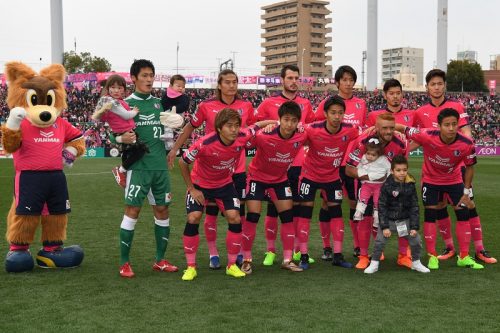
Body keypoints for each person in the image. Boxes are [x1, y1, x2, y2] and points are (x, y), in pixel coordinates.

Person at [168, 69, 255, 270]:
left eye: (235, 82)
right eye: (227, 82)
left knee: (237, 213)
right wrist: (175, 148)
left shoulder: (247, 106)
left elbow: (251, 131)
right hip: (209, 169)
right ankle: (213, 253)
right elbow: (190, 127)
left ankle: (238, 254)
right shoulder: (206, 106)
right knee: (211, 214)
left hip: (237, 169)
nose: (232, 86)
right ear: (219, 85)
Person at [178, 108, 275, 281]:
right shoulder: (204, 144)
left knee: (235, 218)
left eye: (236, 125)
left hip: (224, 184)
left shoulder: (242, 136)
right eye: (229, 126)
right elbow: (183, 162)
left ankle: (231, 265)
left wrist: (278, 123)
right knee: (193, 218)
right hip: (201, 185)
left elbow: (258, 125)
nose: (234, 129)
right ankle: (191, 267)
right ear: (219, 128)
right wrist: (192, 189)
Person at [414, 69, 496, 264]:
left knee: (469, 206)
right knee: (439, 208)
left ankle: (479, 249)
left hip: (457, 169)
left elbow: (466, 131)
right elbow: (418, 138)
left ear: (444, 85)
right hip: (433, 172)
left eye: (439, 83)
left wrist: (466, 145)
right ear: (427, 88)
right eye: (432, 84)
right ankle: (449, 247)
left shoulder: (457, 106)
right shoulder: (420, 112)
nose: (436, 87)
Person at [398, 108, 484, 270]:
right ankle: (432, 256)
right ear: (439, 126)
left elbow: (470, 168)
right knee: (430, 216)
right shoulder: (426, 135)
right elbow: (402, 128)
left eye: (454, 124)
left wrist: (466, 192)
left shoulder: (466, 143)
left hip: (454, 181)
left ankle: (464, 256)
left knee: (463, 215)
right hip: (431, 182)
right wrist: (378, 126)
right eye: (447, 125)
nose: (451, 128)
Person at [115, 59, 178, 278]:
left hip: (160, 167)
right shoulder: (125, 104)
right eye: (144, 75)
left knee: (162, 210)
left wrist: (171, 145)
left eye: (151, 75)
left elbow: (166, 132)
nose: (149, 79)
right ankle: (124, 263)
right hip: (139, 168)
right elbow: (113, 133)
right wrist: (119, 137)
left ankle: (160, 260)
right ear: (133, 78)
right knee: (133, 210)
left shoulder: (158, 103)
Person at [254, 64, 315, 266]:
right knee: (272, 209)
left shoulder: (305, 103)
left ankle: (296, 251)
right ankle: (270, 251)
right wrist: (268, 124)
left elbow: (311, 130)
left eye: (296, 78)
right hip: (274, 166)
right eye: (289, 77)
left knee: (295, 209)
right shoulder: (268, 103)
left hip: (298, 164)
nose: (293, 81)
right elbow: (257, 126)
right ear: (282, 80)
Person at [241, 101, 307, 274]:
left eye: (294, 120)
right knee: (253, 216)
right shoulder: (264, 135)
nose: (289, 124)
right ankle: (246, 259)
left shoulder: (301, 135)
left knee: (287, 217)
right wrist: (263, 124)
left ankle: (287, 259)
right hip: (257, 178)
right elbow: (244, 138)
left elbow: (317, 129)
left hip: (280, 180)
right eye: (286, 119)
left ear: (298, 122)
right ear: (279, 120)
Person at [296, 96, 359, 270]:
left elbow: (366, 134)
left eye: (340, 113)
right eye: (333, 113)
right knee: (305, 213)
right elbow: (296, 138)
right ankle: (303, 255)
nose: (337, 116)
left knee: (336, 212)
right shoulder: (312, 129)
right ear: (325, 114)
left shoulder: (350, 130)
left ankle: (337, 255)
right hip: (309, 176)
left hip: (331, 178)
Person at [316, 65, 368, 260]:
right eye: (344, 80)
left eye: (351, 80)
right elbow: (317, 128)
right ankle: (327, 247)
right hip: (331, 163)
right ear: (337, 82)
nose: (348, 83)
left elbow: (362, 132)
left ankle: (356, 245)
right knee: (327, 204)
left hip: (353, 163)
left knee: (355, 203)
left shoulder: (361, 104)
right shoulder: (325, 103)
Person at [346, 113, 408, 269]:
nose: (389, 131)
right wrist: (371, 177)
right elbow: (349, 169)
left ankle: (403, 256)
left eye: (392, 128)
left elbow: (401, 168)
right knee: (365, 220)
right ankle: (363, 256)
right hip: (367, 186)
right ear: (376, 127)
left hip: (390, 187)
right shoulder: (362, 142)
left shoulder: (399, 144)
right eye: (385, 128)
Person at [364, 155, 430, 274]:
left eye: (404, 170)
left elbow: (414, 206)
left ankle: (416, 263)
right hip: (389, 221)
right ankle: (374, 264)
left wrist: (414, 227)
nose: (402, 173)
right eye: (398, 170)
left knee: (416, 241)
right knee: (380, 241)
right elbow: (382, 206)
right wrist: (384, 227)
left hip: (403, 222)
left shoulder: (410, 184)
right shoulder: (386, 185)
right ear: (392, 171)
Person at [91, 74, 148, 188]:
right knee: (140, 150)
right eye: (113, 87)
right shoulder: (113, 102)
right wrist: (135, 111)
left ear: (124, 90)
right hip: (125, 132)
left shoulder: (117, 101)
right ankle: (120, 170)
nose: (116, 90)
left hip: (128, 132)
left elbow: (100, 117)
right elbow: (125, 117)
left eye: (119, 88)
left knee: (130, 153)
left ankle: (123, 172)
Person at [353, 139, 391, 226]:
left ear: (379, 154)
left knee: (377, 201)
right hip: (366, 184)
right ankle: (358, 213)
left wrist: (388, 181)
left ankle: (377, 219)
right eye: (368, 154)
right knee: (363, 197)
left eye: (373, 155)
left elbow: (389, 169)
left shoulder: (383, 160)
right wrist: (362, 174)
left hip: (379, 185)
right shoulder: (363, 158)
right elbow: (357, 167)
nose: (370, 156)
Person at [160, 74, 190, 151]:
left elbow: (184, 106)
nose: (181, 88)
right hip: (168, 115)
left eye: (183, 87)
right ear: (171, 86)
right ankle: (169, 144)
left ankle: (169, 136)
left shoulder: (184, 97)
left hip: (178, 115)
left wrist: (173, 109)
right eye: (178, 86)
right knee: (165, 120)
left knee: (170, 120)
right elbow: (162, 105)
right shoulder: (166, 95)